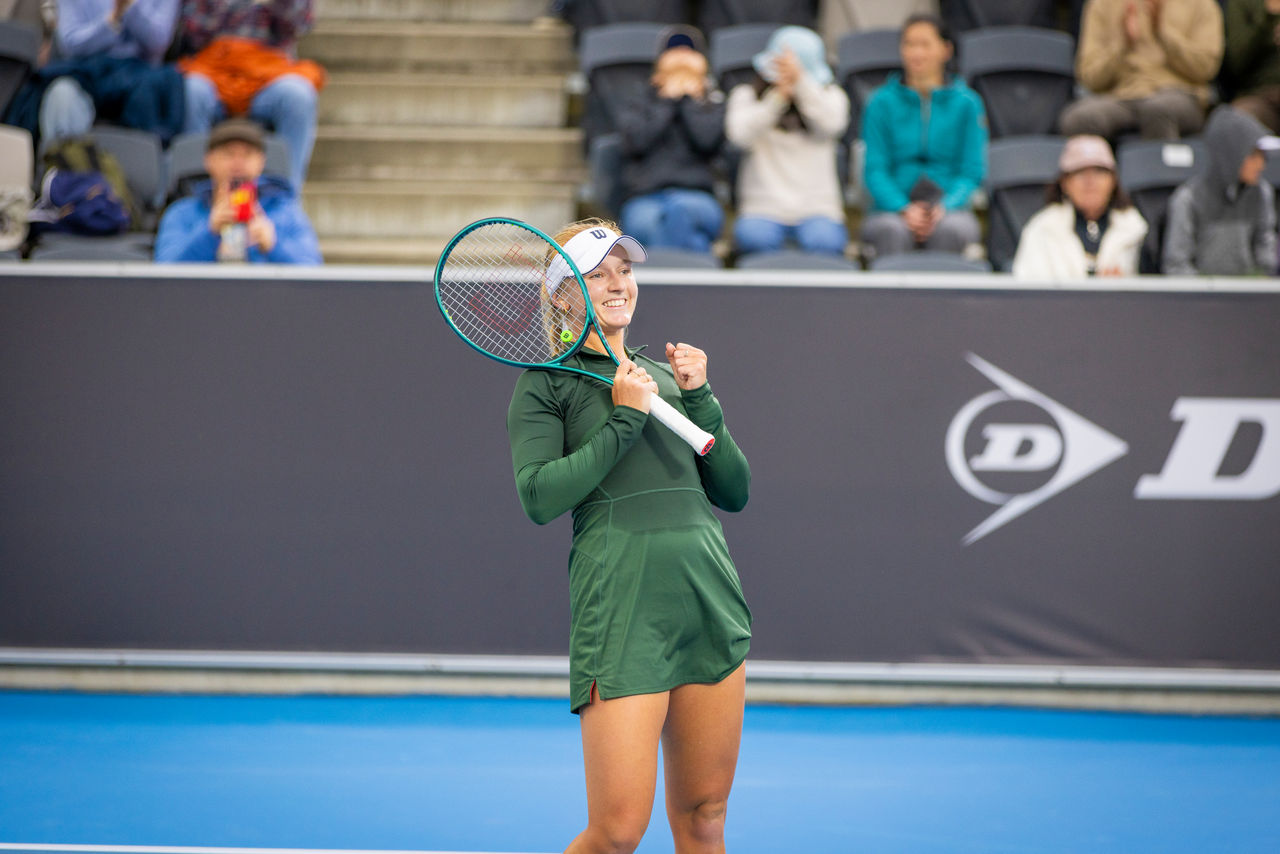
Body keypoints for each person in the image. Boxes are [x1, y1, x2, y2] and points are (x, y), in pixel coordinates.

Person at [507, 218, 752, 853]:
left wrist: (701, 399)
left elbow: (734, 491)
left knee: (705, 815)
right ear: (563, 296)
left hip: (706, 599)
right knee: (617, 833)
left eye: (624, 270)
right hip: (621, 606)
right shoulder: (545, 383)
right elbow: (539, 497)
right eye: (596, 274)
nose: (618, 284)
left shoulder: (665, 376)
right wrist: (622, 420)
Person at [859, 14, 986, 261]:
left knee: (951, 229)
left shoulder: (968, 104)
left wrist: (946, 207)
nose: (916, 53)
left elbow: (971, 171)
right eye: (909, 44)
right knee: (890, 230)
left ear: (946, 50)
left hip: (950, 209)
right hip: (890, 210)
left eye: (925, 44)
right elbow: (875, 169)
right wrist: (902, 208)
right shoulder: (880, 102)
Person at [724, 25, 849, 257]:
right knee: (753, 238)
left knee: (825, 241)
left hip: (818, 210)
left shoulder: (832, 97)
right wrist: (777, 99)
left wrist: (801, 84)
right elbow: (739, 136)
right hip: (762, 209)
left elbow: (831, 125)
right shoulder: (745, 96)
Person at [175, 0, 323, 193]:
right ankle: (196, 194)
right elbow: (193, 34)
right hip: (213, 68)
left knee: (299, 95)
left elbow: (299, 25)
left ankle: (287, 197)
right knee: (192, 89)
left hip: (269, 71)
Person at [5, 0, 184, 145]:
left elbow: (159, 42)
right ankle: (67, 173)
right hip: (86, 71)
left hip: (142, 75)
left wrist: (130, 7)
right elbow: (70, 44)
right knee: (62, 95)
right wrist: (112, 20)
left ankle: (152, 174)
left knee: (170, 93)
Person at [616, 26, 725, 254]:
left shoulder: (713, 104)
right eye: (674, 51)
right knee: (656, 225)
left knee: (681, 211)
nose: (682, 56)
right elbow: (637, 142)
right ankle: (696, 267)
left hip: (698, 197)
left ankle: (660, 274)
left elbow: (706, 141)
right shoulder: (639, 101)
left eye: (689, 51)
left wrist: (688, 101)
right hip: (646, 198)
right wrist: (666, 101)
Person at [154, 117, 322, 263]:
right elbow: (163, 272)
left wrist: (273, 245)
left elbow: (313, 271)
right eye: (229, 154)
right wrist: (209, 232)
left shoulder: (286, 212)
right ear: (209, 160)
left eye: (247, 154)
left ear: (261, 161)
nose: (238, 163)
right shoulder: (181, 213)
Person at [1059, 0, 1223, 141]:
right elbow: (1089, 77)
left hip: (1179, 93)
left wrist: (1164, 33)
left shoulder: (1201, 4)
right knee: (1078, 119)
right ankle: (1102, 169)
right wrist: (1122, 44)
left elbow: (1205, 69)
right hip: (1122, 96)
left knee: (1157, 110)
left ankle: (1162, 169)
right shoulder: (1102, 4)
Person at [1163, 104, 1278, 276]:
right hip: (1201, 291)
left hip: (1249, 291)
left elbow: (1265, 253)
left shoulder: (1262, 193)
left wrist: (1261, 283)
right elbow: (1177, 265)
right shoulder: (1188, 199)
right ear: (1232, 154)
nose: (1261, 165)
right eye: (1254, 155)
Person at [1012, 135, 1148, 280]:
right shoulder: (1042, 228)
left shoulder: (1136, 227)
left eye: (1099, 171)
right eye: (1079, 172)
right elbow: (1025, 287)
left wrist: (1121, 288)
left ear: (1113, 180)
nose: (1090, 181)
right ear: (1064, 182)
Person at [1224, 0, 1280, 133]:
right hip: (1261, 95)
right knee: (1232, 121)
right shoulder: (1244, 3)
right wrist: (1268, 17)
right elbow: (1237, 63)